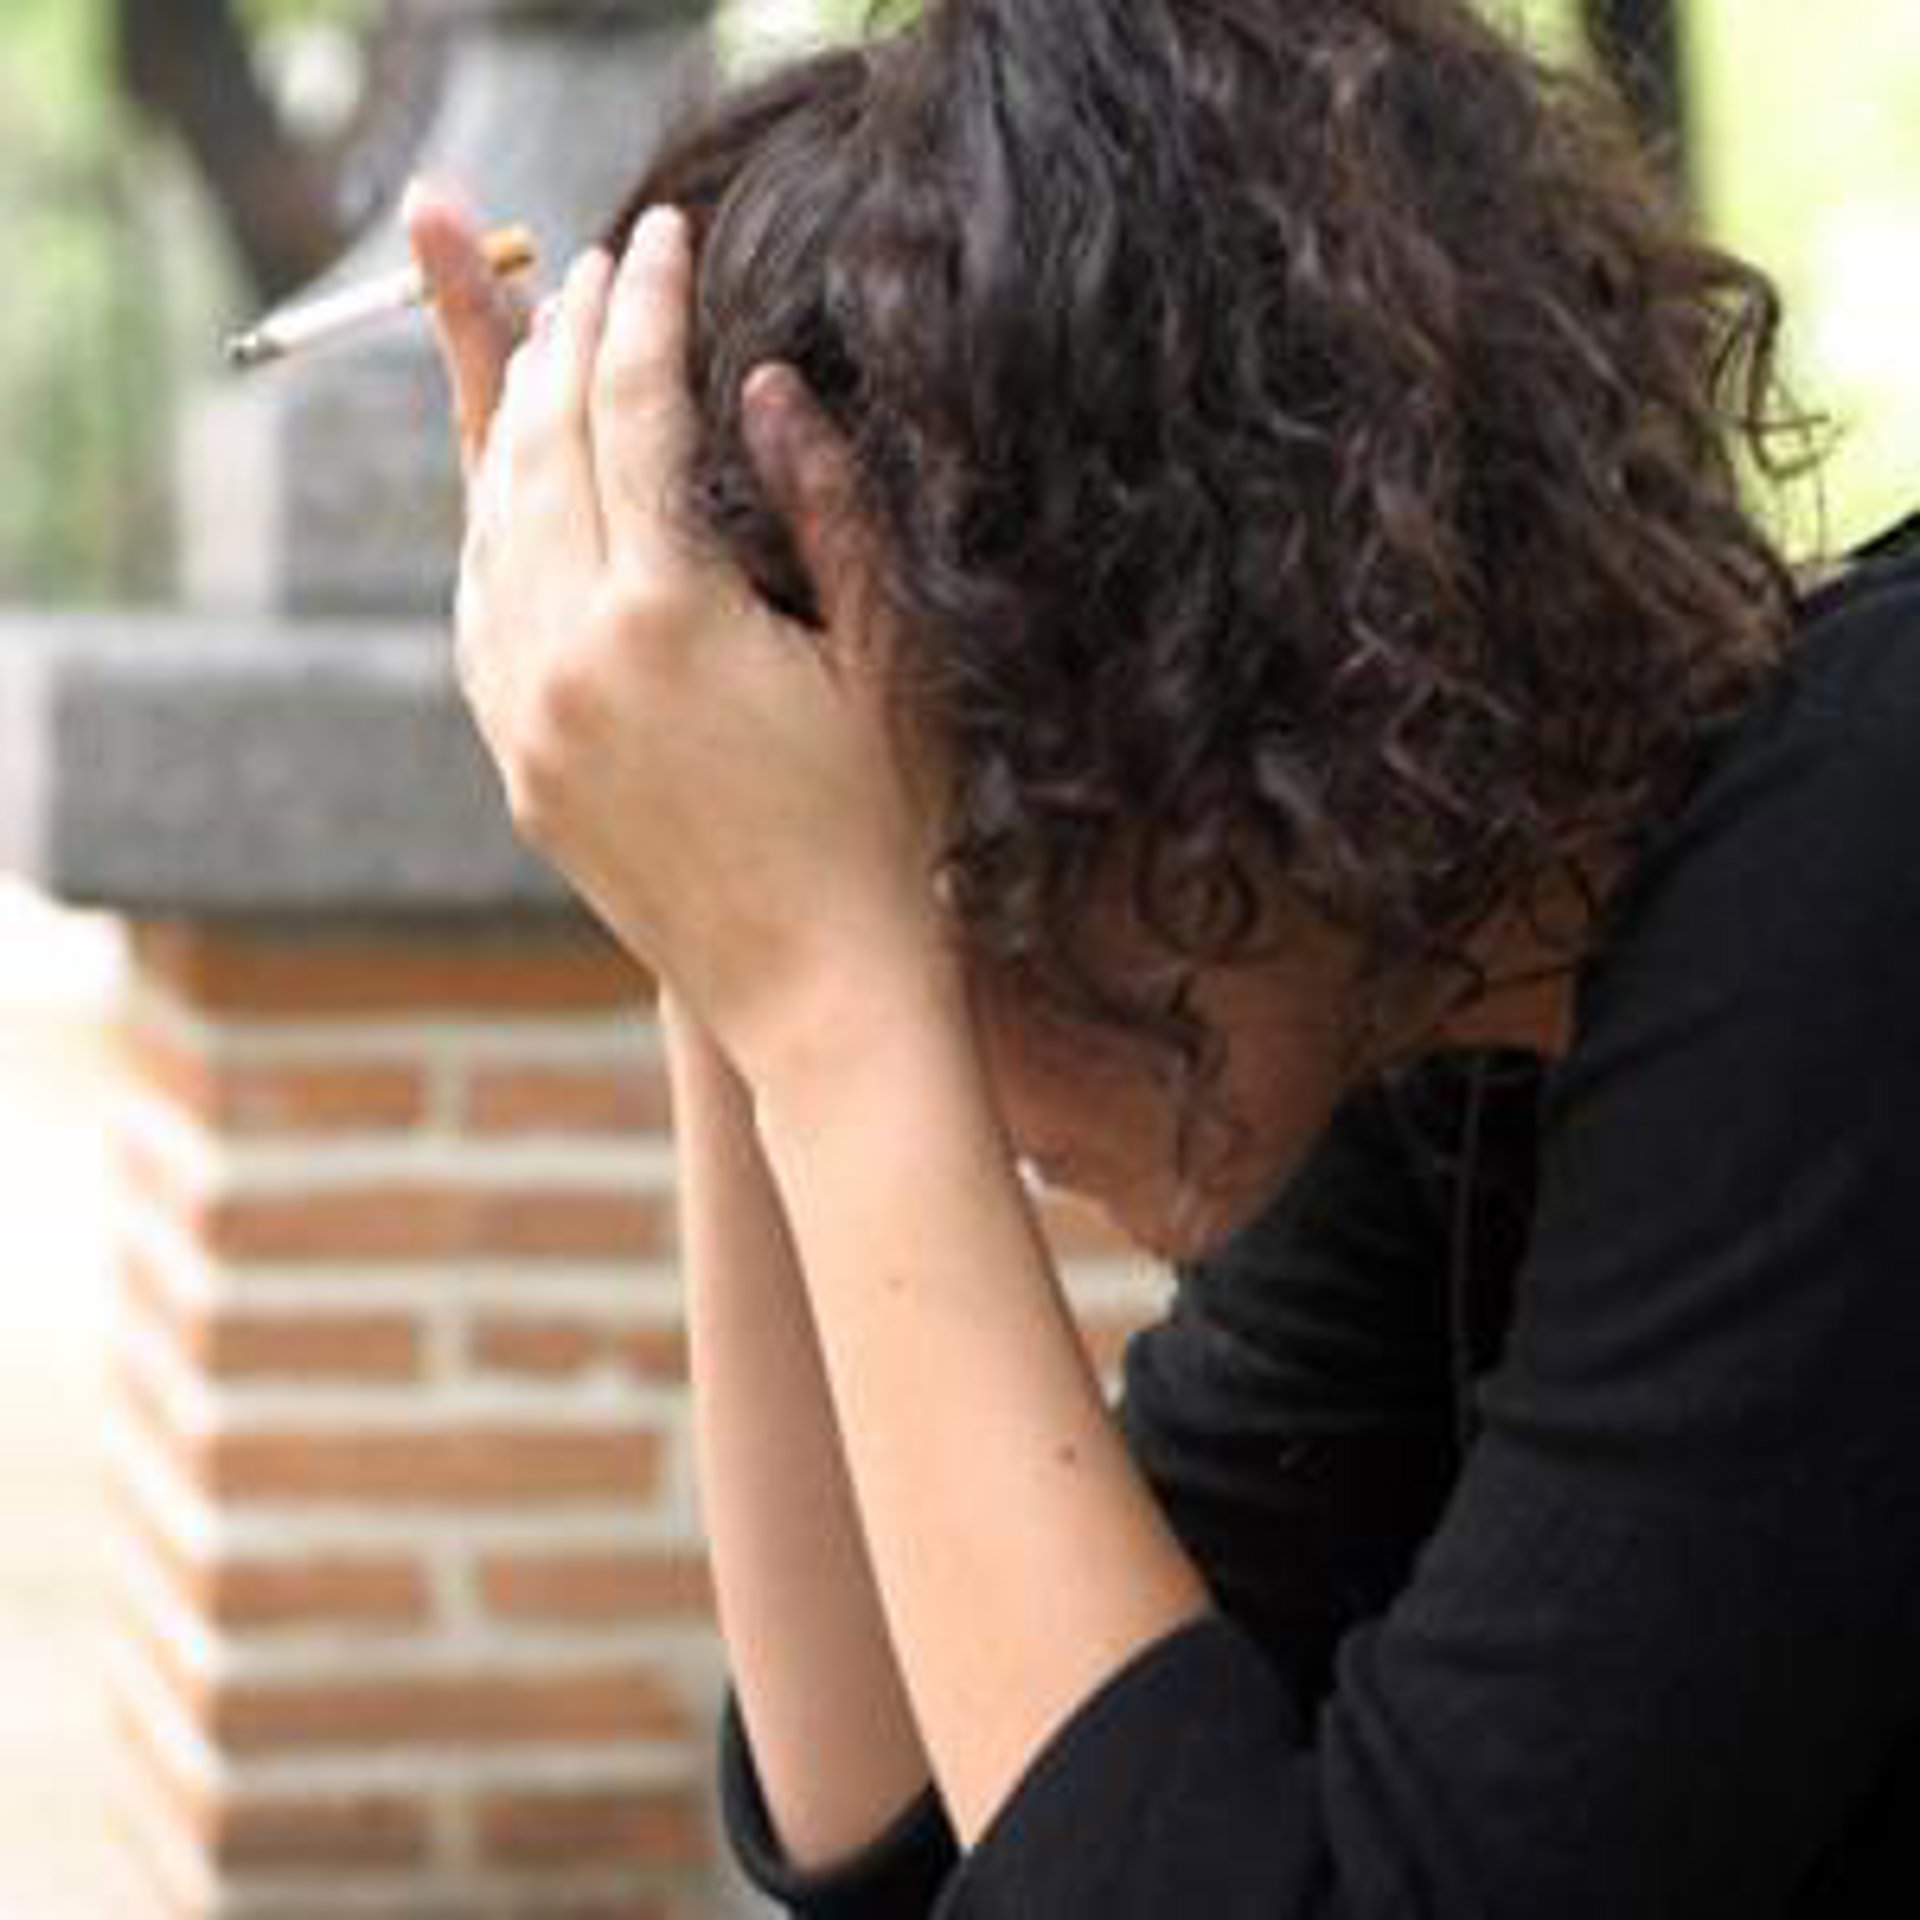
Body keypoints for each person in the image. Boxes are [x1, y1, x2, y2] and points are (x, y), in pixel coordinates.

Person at [405, 0, 1920, 1911]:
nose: (934, 1051)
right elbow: (941, 1829)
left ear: (1177, 691)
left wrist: (828, 1004)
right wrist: (696, 886)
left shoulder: (1862, 860)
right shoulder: (1457, 1010)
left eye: (917, 876)